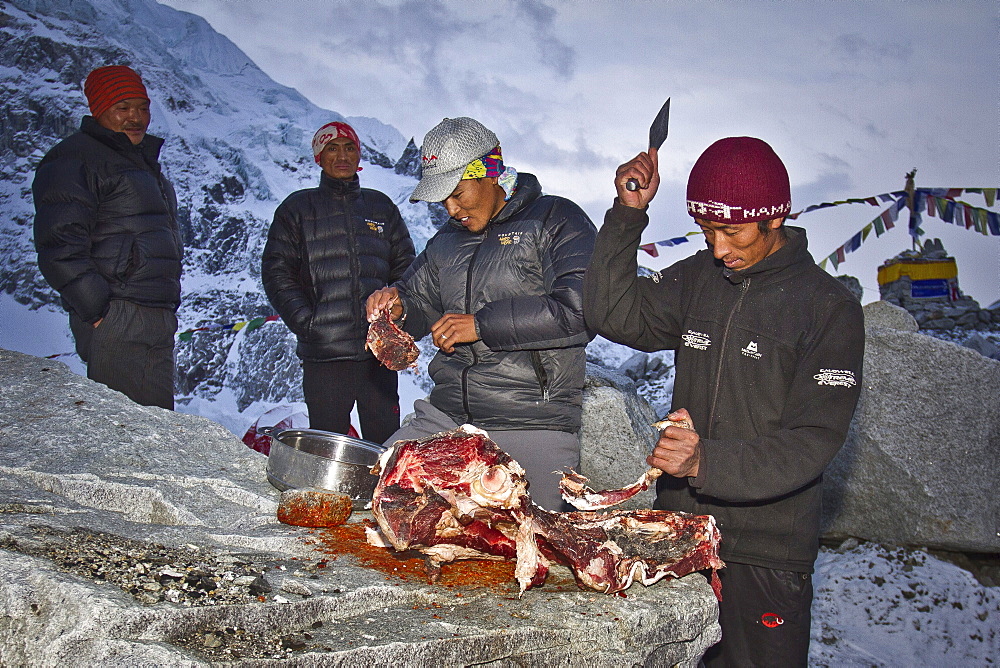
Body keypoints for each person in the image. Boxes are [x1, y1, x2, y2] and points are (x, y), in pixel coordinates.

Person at [583, 137, 864, 666]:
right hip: (680, 538)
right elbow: (610, 313)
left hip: (766, 553)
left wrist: (702, 460)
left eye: (731, 231)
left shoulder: (828, 309)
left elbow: (812, 443)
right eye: (707, 230)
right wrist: (627, 214)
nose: (717, 248)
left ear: (773, 218)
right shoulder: (698, 278)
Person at [366, 117, 597, 510]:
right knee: (378, 497)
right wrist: (398, 307)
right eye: (443, 200)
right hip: (446, 416)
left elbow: (581, 310)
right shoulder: (446, 242)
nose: (451, 209)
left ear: (490, 173)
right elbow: (419, 301)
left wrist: (481, 325)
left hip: (532, 422)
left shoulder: (556, 220)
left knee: (527, 543)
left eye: (457, 193)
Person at [32, 65, 183, 410]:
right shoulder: (76, 157)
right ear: (99, 110)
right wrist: (99, 309)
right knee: (126, 427)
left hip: (155, 313)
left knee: (158, 428)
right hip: (119, 312)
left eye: (143, 107)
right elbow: (59, 243)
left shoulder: (142, 164)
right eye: (123, 107)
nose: (136, 117)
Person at [262, 121, 415, 444]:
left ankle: (383, 497)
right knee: (327, 443)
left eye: (349, 148)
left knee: (384, 443)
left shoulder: (381, 207)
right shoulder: (298, 209)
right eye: (332, 148)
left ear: (359, 154)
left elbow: (407, 268)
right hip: (325, 353)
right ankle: (329, 497)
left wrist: (395, 315)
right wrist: (308, 324)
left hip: (378, 352)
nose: (342, 155)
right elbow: (277, 272)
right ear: (319, 156)